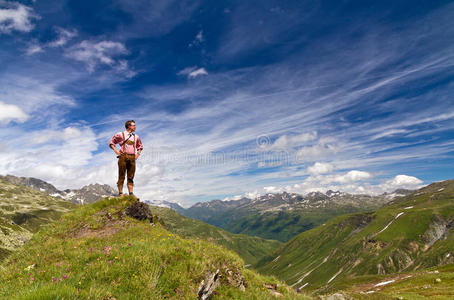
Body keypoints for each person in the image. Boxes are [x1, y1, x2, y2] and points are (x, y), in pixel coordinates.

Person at [109, 120, 143, 198]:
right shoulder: (120, 134)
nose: (135, 127)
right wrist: (116, 151)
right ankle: (121, 193)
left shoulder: (136, 137)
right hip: (123, 156)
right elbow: (111, 143)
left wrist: (137, 154)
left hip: (132, 157)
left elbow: (140, 146)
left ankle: (131, 193)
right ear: (129, 126)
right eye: (134, 125)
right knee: (121, 175)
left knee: (131, 176)